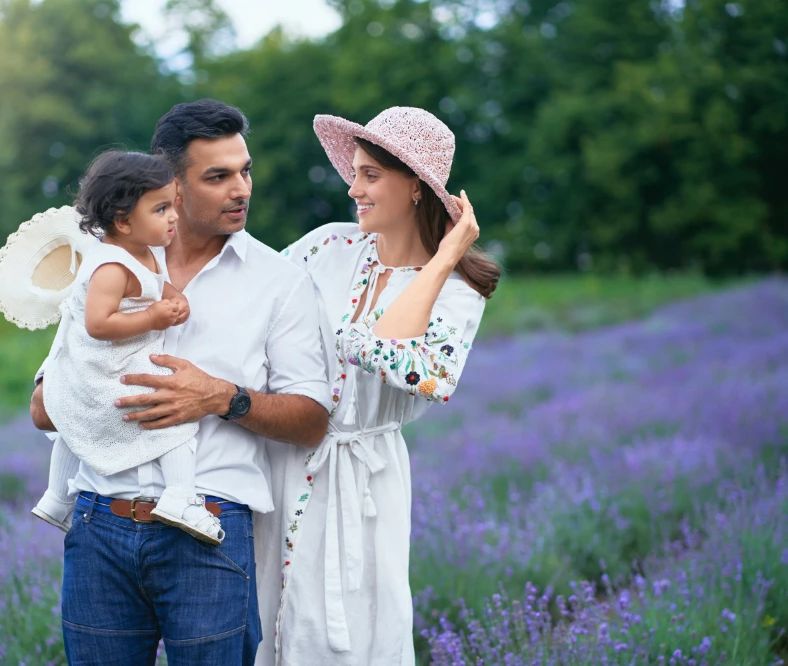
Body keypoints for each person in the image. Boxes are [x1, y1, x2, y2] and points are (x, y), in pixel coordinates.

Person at [29, 99, 331, 666]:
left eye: (245, 171)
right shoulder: (105, 267)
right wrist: (71, 393)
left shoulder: (281, 283)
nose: (240, 188)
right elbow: (43, 406)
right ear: (171, 184)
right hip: (98, 525)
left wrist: (222, 397)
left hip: (209, 530)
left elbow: (312, 420)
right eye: (217, 176)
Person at [255, 107, 500, 665]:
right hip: (285, 459)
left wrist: (441, 262)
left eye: (371, 176)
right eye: (355, 173)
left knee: (356, 626)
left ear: (415, 188)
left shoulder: (459, 290)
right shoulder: (326, 247)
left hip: (364, 480)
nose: (353, 189)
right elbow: (254, 305)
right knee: (268, 617)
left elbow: (426, 375)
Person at [32, 149, 229, 544]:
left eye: (172, 205)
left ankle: (56, 500)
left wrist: (175, 298)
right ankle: (179, 496)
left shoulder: (141, 254)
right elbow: (99, 323)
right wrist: (153, 318)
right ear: (123, 220)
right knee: (174, 416)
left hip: (108, 364)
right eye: (160, 210)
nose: (174, 216)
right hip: (105, 364)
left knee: (75, 424)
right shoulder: (110, 266)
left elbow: (156, 286)